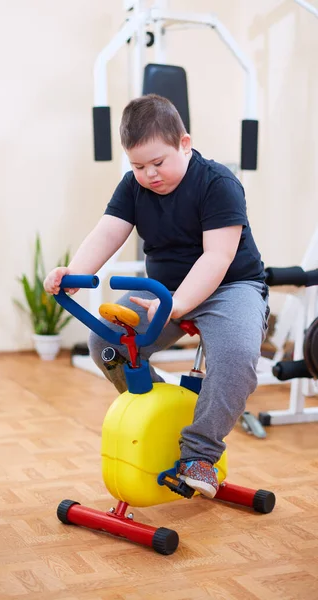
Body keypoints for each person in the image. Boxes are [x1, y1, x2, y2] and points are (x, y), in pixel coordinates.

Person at [43, 94, 269, 499]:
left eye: (158, 163)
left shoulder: (218, 183)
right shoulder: (133, 186)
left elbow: (217, 258)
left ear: (184, 143)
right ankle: (169, 412)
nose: (149, 174)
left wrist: (179, 305)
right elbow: (108, 231)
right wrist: (75, 273)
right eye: (138, 166)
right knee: (106, 344)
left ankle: (200, 452)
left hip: (230, 287)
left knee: (237, 356)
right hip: (163, 293)